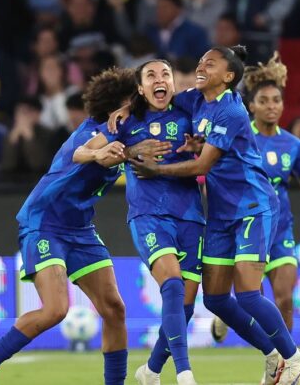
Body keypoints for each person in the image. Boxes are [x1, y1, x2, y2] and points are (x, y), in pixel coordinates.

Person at [121, 45, 300, 385]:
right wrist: (121, 110)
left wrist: (157, 170)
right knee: (216, 299)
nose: (200, 65)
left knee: (250, 294)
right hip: (221, 213)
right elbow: (153, 101)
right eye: (200, 60)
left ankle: (294, 356)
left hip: (252, 205)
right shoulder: (195, 99)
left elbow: (202, 165)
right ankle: (270, 356)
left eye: (210, 63)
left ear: (227, 77)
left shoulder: (232, 111)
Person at [0, 68, 145, 385]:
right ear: (113, 107)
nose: (135, 108)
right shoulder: (90, 132)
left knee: (115, 309)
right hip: (45, 223)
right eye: (131, 103)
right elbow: (84, 152)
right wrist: (99, 153)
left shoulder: (129, 131)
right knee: (55, 309)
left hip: (80, 229)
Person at [77, 59, 202, 385]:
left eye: (165, 75)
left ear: (173, 84)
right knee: (172, 284)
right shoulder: (127, 121)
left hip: (191, 215)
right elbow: (82, 151)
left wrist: (200, 148)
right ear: (141, 88)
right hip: (149, 216)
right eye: (151, 76)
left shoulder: (189, 112)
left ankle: (151, 371)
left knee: (185, 306)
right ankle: (185, 374)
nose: (160, 80)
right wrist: (126, 151)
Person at [244, 52, 300, 330]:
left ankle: (285, 367)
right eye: (264, 101)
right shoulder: (239, 140)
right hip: (247, 229)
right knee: (251, 301)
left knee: (284, 300)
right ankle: (228, 316)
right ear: (251, 106)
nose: (271, 107)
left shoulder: (292, 145)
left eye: (276, 100)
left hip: (281, 229)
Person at [144, 0, 211, 61]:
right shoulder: (150, 31)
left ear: (178, 9)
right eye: (158, 8)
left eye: (164, 7)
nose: (160, 11)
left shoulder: (195, 33)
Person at [0, 96, 53, 181]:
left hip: (38, 182)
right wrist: (12, 142)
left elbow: (39, 165)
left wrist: (30, 139)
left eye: (26, 112)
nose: (22, 116)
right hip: (10, 185)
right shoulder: (8, 133)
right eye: (19, 112)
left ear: (37, 114)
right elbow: (6, 167)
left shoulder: (48, 134)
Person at [37, 54, 78, 131]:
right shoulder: (38, 101)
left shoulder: (73, 93)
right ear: (41, 74)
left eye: (54, 67)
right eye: (47, 69)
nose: (51, 72)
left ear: (61, 71)